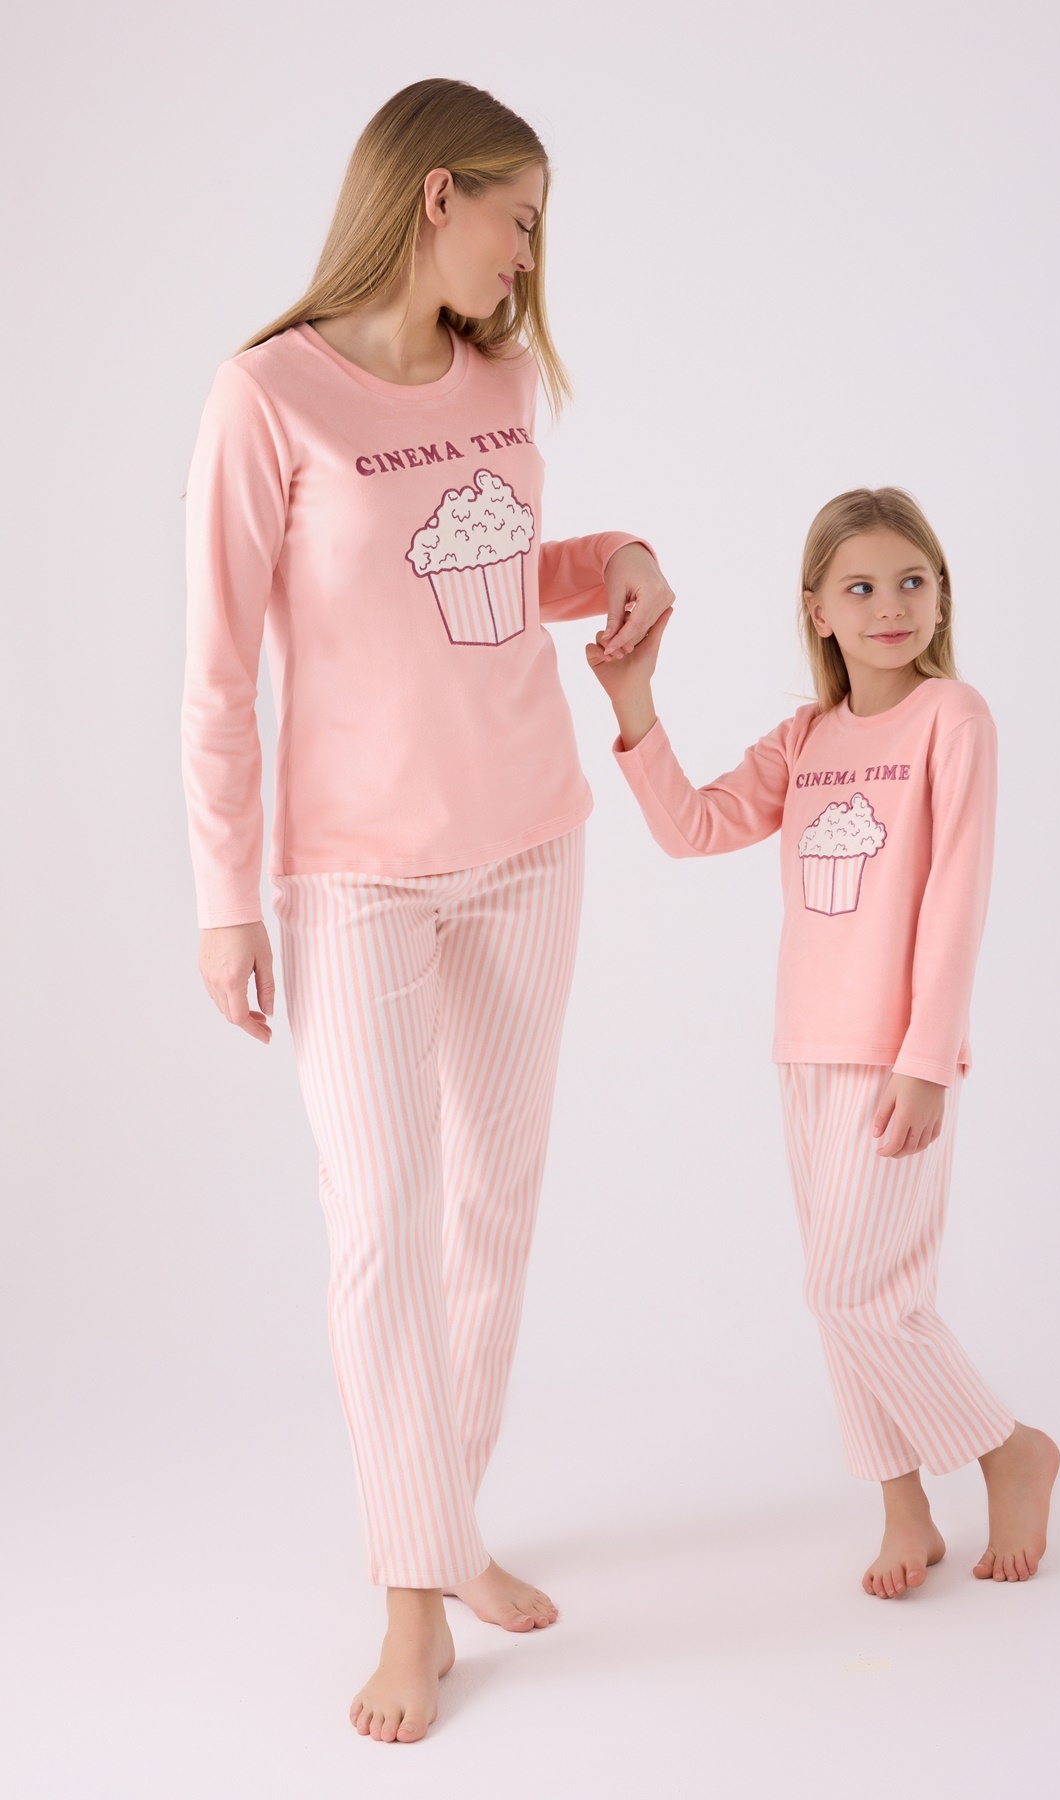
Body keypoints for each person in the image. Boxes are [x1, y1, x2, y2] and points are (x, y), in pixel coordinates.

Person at [181, 78, 672, 1744]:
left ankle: (441, 1524)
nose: (530, 258)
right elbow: (217, 675)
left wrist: (613, 555)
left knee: (490, 1212)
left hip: (531, 840)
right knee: (383, 1228)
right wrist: (225, 901)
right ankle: (414, 1604)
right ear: (438, 195)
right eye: (520, 220)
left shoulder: (501, 375)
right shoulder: (267, 396)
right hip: (355, 880)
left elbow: (489, 565)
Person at [585, 486, 1059, 1600]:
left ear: (940, 596)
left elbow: (957, 894)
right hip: (805, 1053)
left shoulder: (953, 717)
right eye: (862, 587)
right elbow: (694, 828)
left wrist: (928, 1058)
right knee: (847, 1293)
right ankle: (903, 1509)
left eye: (912, 581)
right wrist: (635, 701)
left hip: (901, 1060)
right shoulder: (806, 738)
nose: (891, 605)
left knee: (857, 1292)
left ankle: (1008, 1451)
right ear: (819, 610)